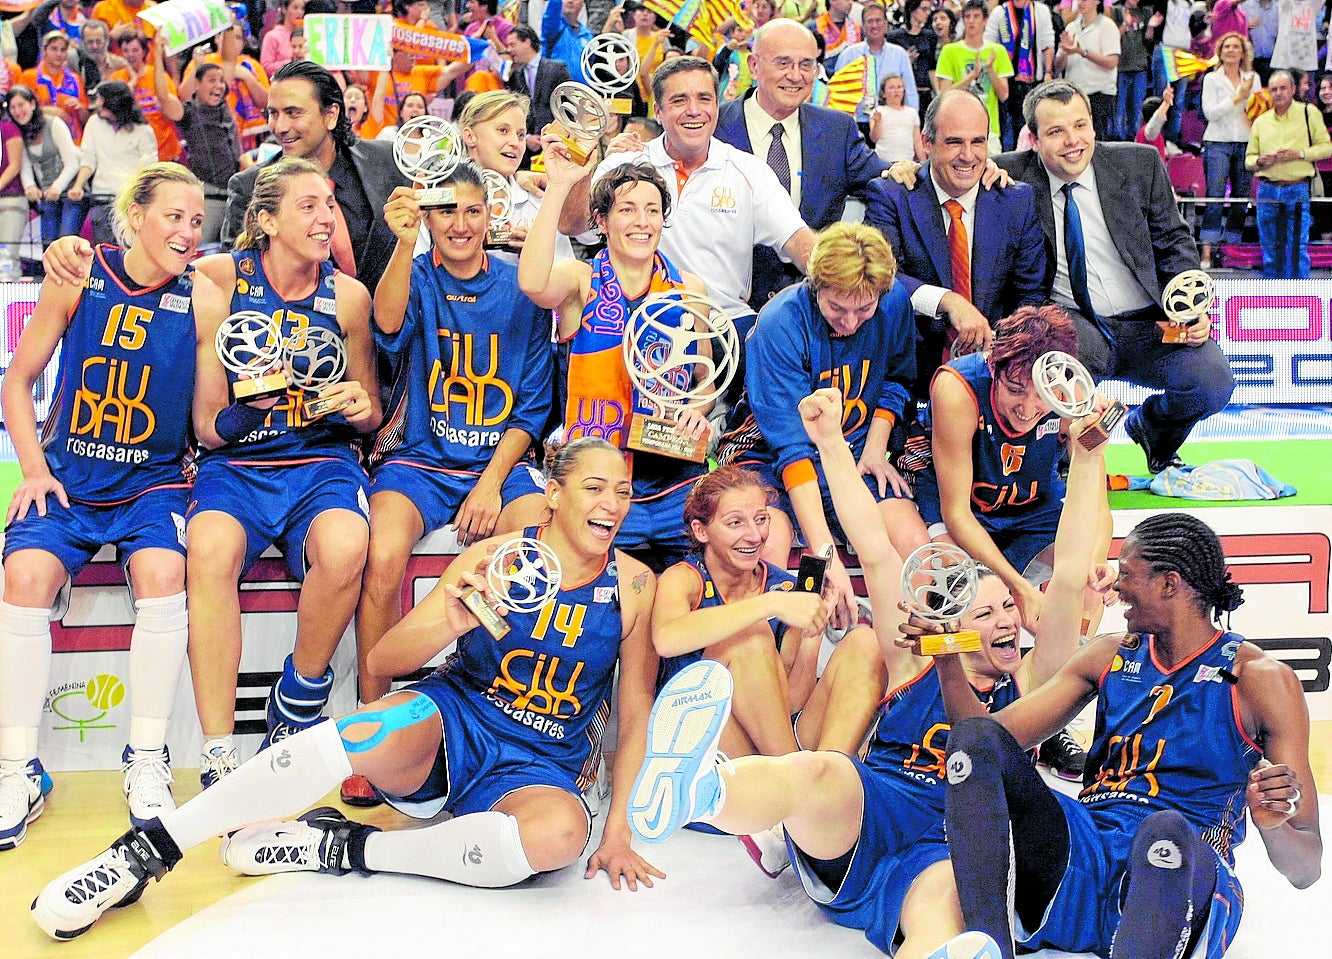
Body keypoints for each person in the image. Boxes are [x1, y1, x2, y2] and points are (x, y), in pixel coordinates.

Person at [30, 438, 664, 941]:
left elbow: (633, 714)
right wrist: (453, 618)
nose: (612, 504)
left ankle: (345, 846)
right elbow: (385, 657)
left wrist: (619, 831)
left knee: (556, 840)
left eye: (623, 493)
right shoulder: (493, 557)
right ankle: (145, 852)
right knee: (366, 727)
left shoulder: (635, 585)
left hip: (540, 761)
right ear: (553, 494)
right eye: (595, 488)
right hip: (454, 725)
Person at [625, 384, 1109, 957]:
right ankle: (703, 791)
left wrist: (1086, 458)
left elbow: (1072, 574)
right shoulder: (916, 657)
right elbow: (874, 546)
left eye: (1008, 606)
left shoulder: (1031, 683)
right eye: (986, 612)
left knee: (945, 910)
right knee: (820, 775)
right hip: (872, 808)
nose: (1007, 621)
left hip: (954, 842)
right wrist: (831, 442)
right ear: (951, 622)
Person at [939, 513, 1322, 959]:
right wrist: (947, 655)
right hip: (1086, 849)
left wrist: (1273, 826)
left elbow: (1306, 866)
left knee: (1164, 831)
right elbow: (982, 744)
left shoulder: (1259, 679)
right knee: (974, 739)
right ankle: (988, 948)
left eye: (1127, 573)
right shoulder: (1108, 654)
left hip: (1178, 863)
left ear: (1169, 584)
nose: (1116, 587)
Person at [0, 163, 204, 847]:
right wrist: (32, 469)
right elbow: (19, 380)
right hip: (69, 477)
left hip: (151, 484)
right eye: (174, 215)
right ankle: (16, 766)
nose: (187, 230)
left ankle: (146, 757)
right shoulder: (80, 271)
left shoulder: (203, 294)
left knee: (164, 576)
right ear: (137, 214)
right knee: (25, 578)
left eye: (198, 219)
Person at [350, 161, 553, 803]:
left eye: (471, 211)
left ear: (491, 214)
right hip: (418, 460)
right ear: (429, 218)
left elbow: (530, 407)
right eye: (446, 212)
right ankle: (368, 727)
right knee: (381, 553)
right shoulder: (414, 273)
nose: (460, 224)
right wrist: (403, 239)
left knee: (534, 553)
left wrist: (490, 485)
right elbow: (384, 328)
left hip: (499, 463)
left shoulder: (522, 287)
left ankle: (501, 716)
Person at [186, 158, 382, 788]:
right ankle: (218, 747)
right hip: (237, 463)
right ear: (265, 220)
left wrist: (357, 410)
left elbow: (371, 413)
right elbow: (209, 428)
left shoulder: (349, 296)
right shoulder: (216, 279)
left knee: (348, 545)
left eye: (330, 204)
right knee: (209, 550)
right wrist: (248, 411)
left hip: (321, 464)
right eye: (308, 206)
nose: (327, 217)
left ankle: (298, 700)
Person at [996, 80, 1235, 475]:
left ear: (1093, 126)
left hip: (1153, 324)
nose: (1073, 141)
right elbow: (951, 167)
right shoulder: (1009, 174)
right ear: (1033, 140)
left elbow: (1174, 240)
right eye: (1056, 131)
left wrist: (1192, 309)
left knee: (1212, 382)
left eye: (1080, 125)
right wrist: (905, 170)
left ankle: (1151, 428)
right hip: (1075, 323)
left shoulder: (1139, 164)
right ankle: (1059, 466)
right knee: (1052, 363)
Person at [719, 222, 921, 628]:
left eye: (864, 310)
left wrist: (875, 446)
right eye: (837, 309)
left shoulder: (894, 300)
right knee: (768, 548)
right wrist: (824, 556)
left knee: (915, 546)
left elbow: (899, 378)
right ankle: (774, 652)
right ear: (814, 287)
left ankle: (909, 670)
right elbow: (792, 452)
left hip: (855, 451)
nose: (850, 322)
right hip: (771, 457)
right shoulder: (779, 324)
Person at [520, 144, 712, 570]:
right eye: (627, 210)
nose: (642, 222)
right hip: (596, 484)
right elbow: (532, 281)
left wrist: (698, 410)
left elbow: (705, 381)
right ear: (602, 222)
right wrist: (558, 188)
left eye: (652, 209)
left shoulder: (689, 290)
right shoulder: (581, 281)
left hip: (673, 481)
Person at [651, 465, 885, 763]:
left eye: (761, 520)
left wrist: (812, 634)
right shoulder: (684, 578)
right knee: (752, 637)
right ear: (701, 530)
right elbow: (667, 639)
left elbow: (789, 703)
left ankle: (831, 777)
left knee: (866, 643)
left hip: (768, 745)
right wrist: (767, 605)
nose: (754, 535)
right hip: (695, 742)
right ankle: (800, 786)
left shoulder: (782, 587)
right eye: (735, 523)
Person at [567, 57, 813, 326]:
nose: (694, 110)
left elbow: (798, 240)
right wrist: (582, 166)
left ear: (717, 107)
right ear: (658, 111)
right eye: (679, 100)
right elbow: (575, 226)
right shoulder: (624, 164)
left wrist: (843, 279)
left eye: (704, 99)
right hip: (633, 324)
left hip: (724, 325)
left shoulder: (749, 170)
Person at [864, 88, 1047, 398]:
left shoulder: (1015, 199)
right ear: (926, 143)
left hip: (995, 367)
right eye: (954, 142)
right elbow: (880, 276)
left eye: (978, 141)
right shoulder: (891, 195)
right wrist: (949, 302)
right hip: (908, 369)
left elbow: (1031, 292)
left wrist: (1004, 352)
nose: (968, 155)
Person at [716, 20, 886, 310]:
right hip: (727, 310)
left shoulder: (836, 129)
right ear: (754, 66)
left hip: (816, 308)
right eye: (783, 63)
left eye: (806, 65)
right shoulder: (715, 127)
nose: (795, 76)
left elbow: (887, 181)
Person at [223, 60, 408, 296]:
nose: (279, 127)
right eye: (273, 114)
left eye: (292, 113)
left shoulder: (388, 161)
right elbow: (239, 278)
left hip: (390, 325)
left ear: (331, 115)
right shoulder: (249, 187)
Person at [1246, 68, 1331, 279]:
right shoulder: (1261, 121)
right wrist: (1260, 161)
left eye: (1283, 88)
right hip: (1266, 190)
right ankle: (1274, 301)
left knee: (1297, 251)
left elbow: (1326, 148)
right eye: (1273, 89)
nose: (1278, 93)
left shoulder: (1308, 113)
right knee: (1270, 250)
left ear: (1293, 89)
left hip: (1297, 188)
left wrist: (1298, 154)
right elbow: (1248, 160)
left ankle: (1300, 300)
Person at [67, 81, 157, 246]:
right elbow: (88, 159)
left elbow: (149, 169)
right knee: (104, 250)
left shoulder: (143, 131)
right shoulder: (94, 123)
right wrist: (78, 185)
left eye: (100, 99)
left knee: (129, 249)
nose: (96, 104)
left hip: (130, 201)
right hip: (101, 198)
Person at [1200, 33, 1260, 269]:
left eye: (1236, 47)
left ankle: (1232, 250)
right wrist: (1237, 98)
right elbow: (1210, 113)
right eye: (1227, 47)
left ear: (1243, 52)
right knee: (1215, 197)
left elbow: (1258, 111)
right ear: (1220, 51)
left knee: (1240, 200)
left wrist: (1249, 100)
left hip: (1245, 142)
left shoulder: (1252, 78)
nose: (1231, 51)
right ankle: (1206, 252)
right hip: (1218, 142)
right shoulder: (1212, 79)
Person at [175, 61, 242, 245]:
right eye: (212, 80)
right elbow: (166, 99)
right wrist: (158, 52)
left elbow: (230, 57)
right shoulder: (189, 113)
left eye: (222, 81)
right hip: (208, 198)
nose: (219, 85)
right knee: (196, 252)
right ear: (197, 84)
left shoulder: (225, 110)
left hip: (234, 197)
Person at [934, 0, 1012, 152]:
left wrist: (990, 69)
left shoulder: (998, 50)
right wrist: (971, 76)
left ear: (985, 20)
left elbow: (1004, 94)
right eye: (967, 17)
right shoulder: (950, 51)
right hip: (955, 126)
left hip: (989, 128)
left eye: (976, 16)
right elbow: (943, 93)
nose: (971, 21)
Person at [12, 84, 84, 244]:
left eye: (21, 105)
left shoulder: (53, 124)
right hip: (47, 195)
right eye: (13, 107)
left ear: (32, 104)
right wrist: (30, 187)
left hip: (70, 192)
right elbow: (25, 166)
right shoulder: (20, 132)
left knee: (66, 241)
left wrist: (57, 187)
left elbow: (72, 162)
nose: (17, 111)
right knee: (48, 245)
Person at [834, 3, 918, 138]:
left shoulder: (899, 54)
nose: (874, 25)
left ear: (886, 24)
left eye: (878, 20)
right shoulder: (849, 55)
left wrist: (913, 124)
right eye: (870, 21)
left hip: (891, 123)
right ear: (863, 25)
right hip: (856, 123)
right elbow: (836, 94)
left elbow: (910, 92)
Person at [984, 0, 1054, 149]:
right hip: (1006, 81)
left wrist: (1048, 71)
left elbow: (1047, 44)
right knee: (1006, 126)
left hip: (1032, 80)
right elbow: (988, 43)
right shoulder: (1000, 12)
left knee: (1029, 123)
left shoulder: (1040, 11)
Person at [107, 25, 183, 162]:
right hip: (133, 155)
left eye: (135, 50)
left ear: (144, 51)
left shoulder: (159, 75)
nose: (130, 55)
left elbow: (173, 109)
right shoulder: (116, 79)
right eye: (126, 50)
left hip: (165, 152)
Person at [1056, 0, 1120, 143]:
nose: (1081, 2)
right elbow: (1058, 66)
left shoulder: (1107, 26)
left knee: (1099, 142)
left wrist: (1082, 52)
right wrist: (1065, 52)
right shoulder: (1071, 27)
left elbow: (1112, 62)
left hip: (1100, 94)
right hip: (1075, 94)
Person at [203, 19, 271, 152]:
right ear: (217, 38)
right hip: (213, 136)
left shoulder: (252, 65)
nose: (232, 41)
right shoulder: (203, 63)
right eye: (228, 35)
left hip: (250, 141)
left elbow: (267, 102)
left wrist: (248, 78)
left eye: (238, 38)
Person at [504, 24, 569, 158]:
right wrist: (526, 137)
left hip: (556, 143)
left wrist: (552, 134)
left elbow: (569, 106)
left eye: (512, 45)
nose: (509, 50)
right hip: (527, 150)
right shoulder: (515, 74)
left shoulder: (557, 68)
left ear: (527, 42)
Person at [21, 30, 87, 143]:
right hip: (41, 138)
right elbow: (20, 111)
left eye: (63, 50)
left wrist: (80, 108)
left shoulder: (75, 79)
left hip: (72, 139)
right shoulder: (29, 77)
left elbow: (85, 119)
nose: (59, 54)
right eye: (54, 49)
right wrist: (45, 111)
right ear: (44, 51)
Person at [1111, 0, 1153, 141]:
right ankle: (1118, 139)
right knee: (1119, 108)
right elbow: (1111, 37)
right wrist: (1125, 25)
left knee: (1136, 108)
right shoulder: (1115, 10)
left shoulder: (1145, 12)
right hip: (1121, 67)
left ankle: (1134, 139)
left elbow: (1148, 39)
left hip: (1139, 66)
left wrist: (1151, 27)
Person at [891, 0, 939, 115]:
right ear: (913, 10)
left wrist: (937, 92)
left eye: (929, 9)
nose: (928, 13)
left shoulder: (930, 36)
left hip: (925, 91)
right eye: (924, 9)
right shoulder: (895, 37)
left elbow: (932, 66)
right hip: (903, 93)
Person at [870, 73, 925, 163]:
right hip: (884, 160)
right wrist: (877, 123)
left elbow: (917, 140)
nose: (896, 91)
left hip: (906, 161)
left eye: (899, 87)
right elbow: (875, 138)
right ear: (883, 93)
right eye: (891, 88)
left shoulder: (912, 112)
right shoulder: (878, 111)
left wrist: (923, 161)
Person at [540, 0, 594, 85]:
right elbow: (550, 17)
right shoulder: (554, 28)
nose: (570, 1)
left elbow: (590, 65)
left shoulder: (587, 35)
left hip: (581, 91)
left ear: (582, 4)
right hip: (555, 89)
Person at [74, 19, 124, 94]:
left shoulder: (119, 64)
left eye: (99, 41)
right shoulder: (73, 62)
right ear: (82, 42)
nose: (95, 46)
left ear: (107, 40)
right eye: (90, 42)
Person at [261, 0, 306, 77]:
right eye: (295, 8)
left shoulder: (306, 34)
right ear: (284, 9)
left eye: (302, 9)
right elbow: (266, 67)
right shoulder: (272, 36)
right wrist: (291, 62)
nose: (300, 12)